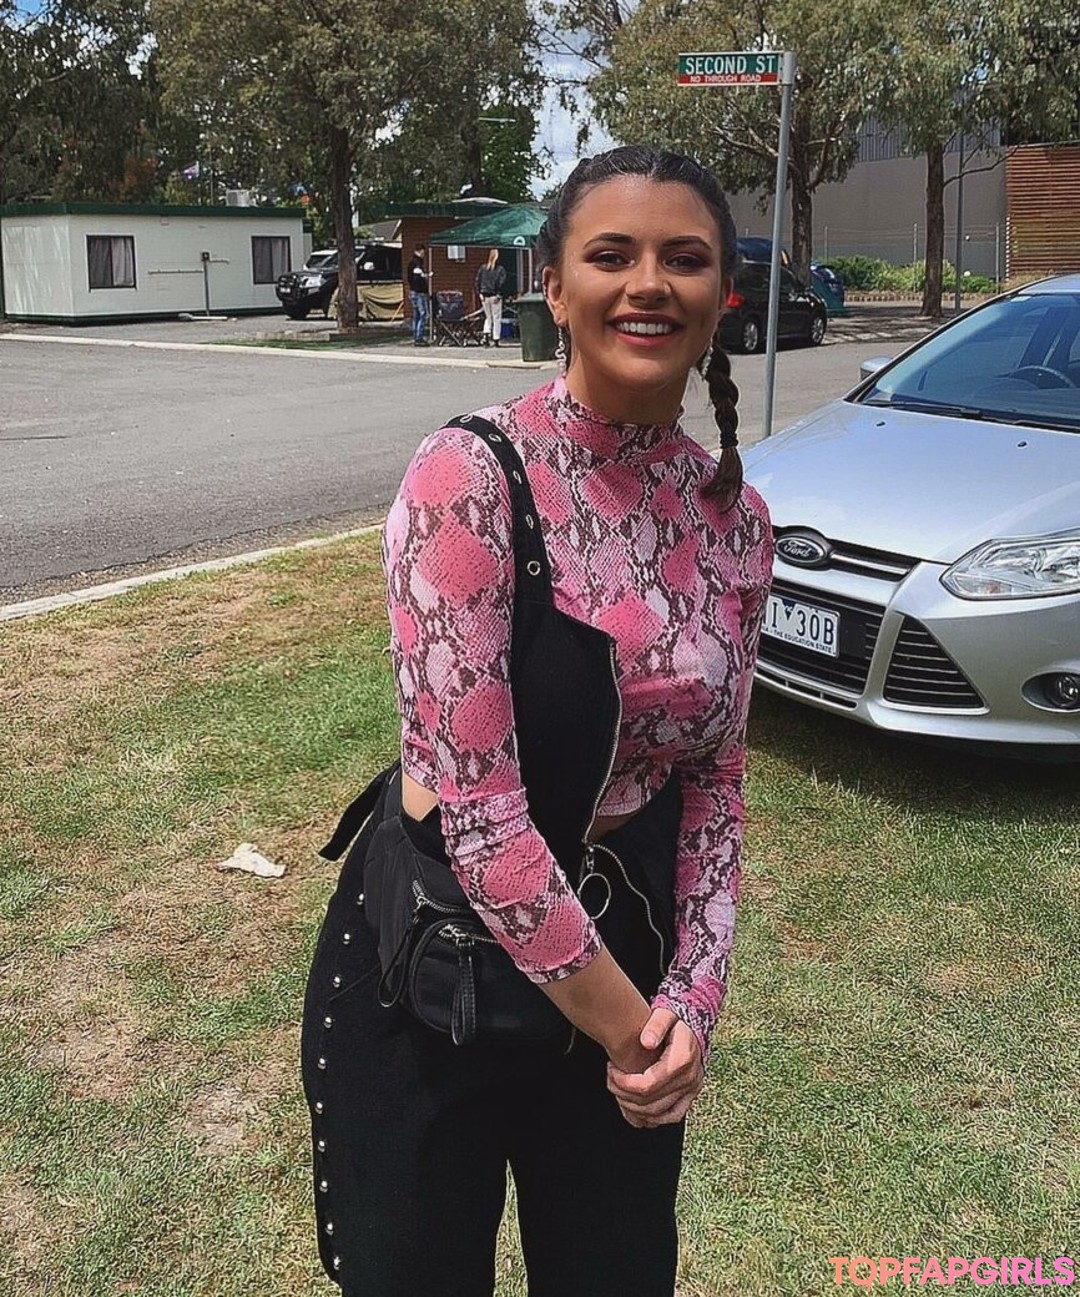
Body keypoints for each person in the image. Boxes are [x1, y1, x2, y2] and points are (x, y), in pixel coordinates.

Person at [302, 145, 773, 1297]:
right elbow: (486, 825)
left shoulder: (736, 520)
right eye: (612, 254)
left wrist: (694, 1006)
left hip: (629, 971)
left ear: (724, 294)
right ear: (554, 289)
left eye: (685, 258)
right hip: (437, 982)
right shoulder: (468, 478)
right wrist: (636, 1032)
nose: (648, 282)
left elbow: (716, 782)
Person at [475, 247, 507, 346]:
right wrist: (499, 294)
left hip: (484, 296)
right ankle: (496, 339)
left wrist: (479, 293)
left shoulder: (483, 268)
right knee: (496, 318)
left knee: (488, 317)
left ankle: (486, 335)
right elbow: (502, 283)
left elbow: (477, 281)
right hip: (494, 296)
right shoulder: (500, 269)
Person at [407, 242, 429, 345]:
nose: (423, 255)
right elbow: (417, 277)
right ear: (418, 252)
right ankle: (419, 337)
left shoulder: (412, 263)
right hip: (419, 292)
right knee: (423, 314)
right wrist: (425, 276)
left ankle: (416, 335)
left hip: (413, 291)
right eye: (422, 252)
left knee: (416, 315)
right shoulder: (417, 263)